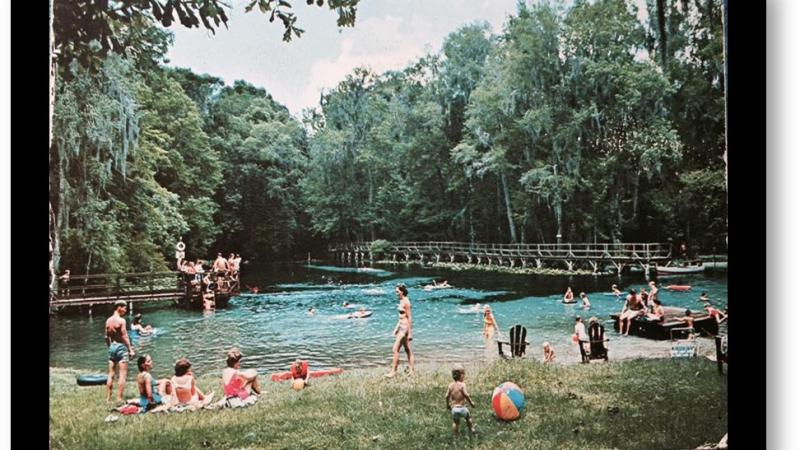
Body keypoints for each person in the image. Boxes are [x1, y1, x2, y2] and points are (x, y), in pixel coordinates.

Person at [105, 300, 136, 402]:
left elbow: (106, 337)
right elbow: (124, 336)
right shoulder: (121, 321)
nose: (125, 310)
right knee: (122, 374)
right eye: (124, 308)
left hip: (112, 347)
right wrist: (130, 349)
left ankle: (108, 398)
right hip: (121, 347)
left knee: (111, 373)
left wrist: (110, 347)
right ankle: (119, 398)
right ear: (119, 307)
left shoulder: (108, 321)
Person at [386, 283, 414, 377]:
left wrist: (410, 333)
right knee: (407, 349)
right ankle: (412, 370)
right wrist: (395, 328)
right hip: (401, 326)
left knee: (395, 349)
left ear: (402, 291)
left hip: (405, 328)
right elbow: (401, 317)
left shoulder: (406, 302)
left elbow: (409, 318)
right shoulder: (401, 301)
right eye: (396, 292)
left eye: (397, 292)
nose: (396, 293)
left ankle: (393, 371)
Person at [445, 365, 476, 439]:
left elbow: (446, 396)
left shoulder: (450, 386)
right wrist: (471, 403)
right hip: (462, 408)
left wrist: (448, 405)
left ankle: (456, 436)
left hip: (454, 409)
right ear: (461, 375)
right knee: (468, 418)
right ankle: (471, 428)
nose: (464, 376)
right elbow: (466, 395)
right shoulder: (462, 385)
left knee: (456, 422)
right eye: (464, 374)